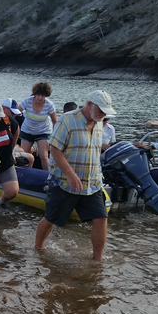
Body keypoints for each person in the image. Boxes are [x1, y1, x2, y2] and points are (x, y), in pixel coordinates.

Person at [34, 90, 116, 261]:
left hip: (92, 183)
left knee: (101, 218)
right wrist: (70, 175)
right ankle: (38, 249)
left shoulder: (98, 123)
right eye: (100, 110)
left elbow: (94, 152)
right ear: (89, 105)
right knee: (51, 219)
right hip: (64, 182)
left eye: (105, 112)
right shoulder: (67, 120)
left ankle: (98, 260)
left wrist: (99, 176)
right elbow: (54, 149)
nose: (103, 115)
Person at [18, 82, 58, 171]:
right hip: (27, 129)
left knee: (43, 155)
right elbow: (16, 112)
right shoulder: (27, 101)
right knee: (24, 155)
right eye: (38, 95)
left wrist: (54, 138)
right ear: (34, 94)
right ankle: (24, 173)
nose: (40, 98)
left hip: (43, 131)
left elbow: (55, 122)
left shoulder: (49, 105)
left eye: (42, 95)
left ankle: (48, 175)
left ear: (46, 96)